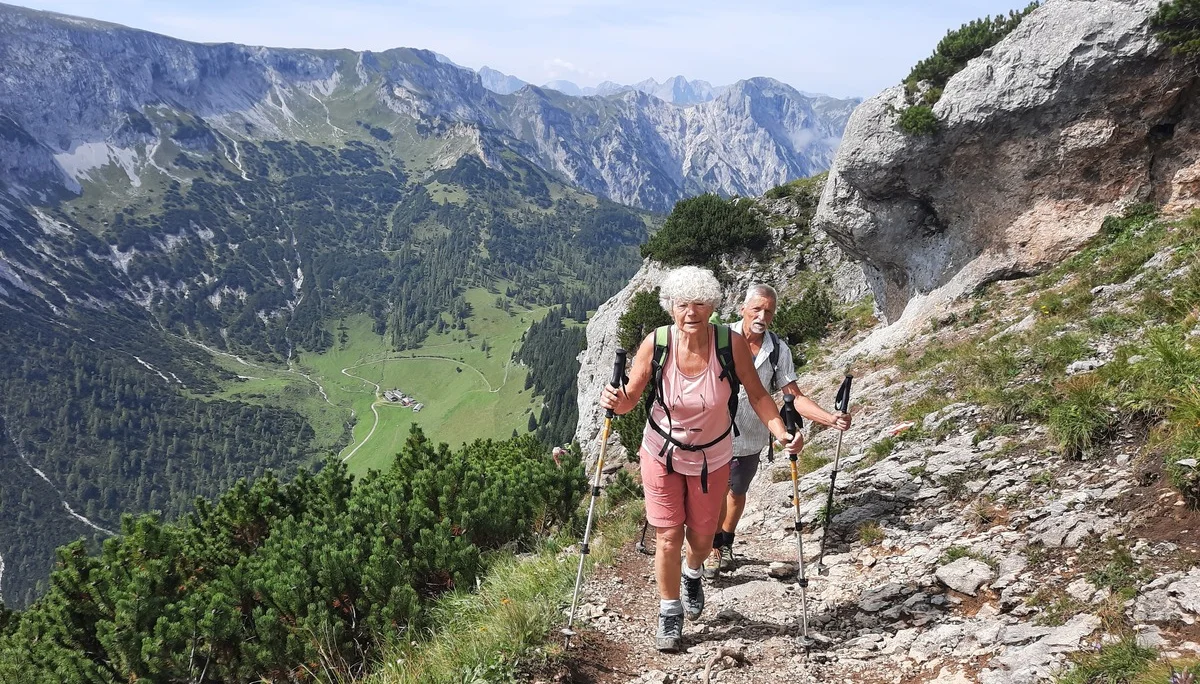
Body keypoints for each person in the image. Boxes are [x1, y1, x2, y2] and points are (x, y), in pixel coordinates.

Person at [598, 266, 804, 653]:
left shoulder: (730, 344)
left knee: (703, 536)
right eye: (682, 305)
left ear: (712, 307)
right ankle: (669, 610)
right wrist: (616, 399)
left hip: (713, 455)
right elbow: (629, 400)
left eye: (699, 304)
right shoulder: (657, 343)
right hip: (661, 452)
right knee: (668, 535)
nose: (690, 312)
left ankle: (693, 573)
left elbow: (759, 395)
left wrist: (782, 432)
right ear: (670, 308)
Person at [704, 284, 852, 579]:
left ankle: (727, 541)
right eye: (756, 308)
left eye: (768, 311)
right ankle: (713, 548)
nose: (762, 315)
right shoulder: (718, 338)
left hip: (753, 434)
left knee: (738, 490)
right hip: (713, 433)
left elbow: (793, 395)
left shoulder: (777, 349)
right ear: (742, 309)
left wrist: (829, 418)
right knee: (717, 491)